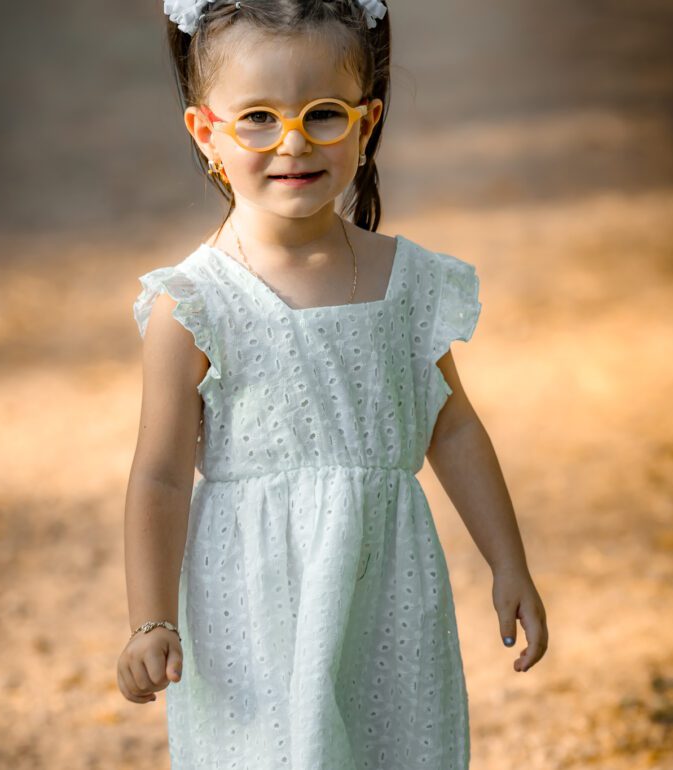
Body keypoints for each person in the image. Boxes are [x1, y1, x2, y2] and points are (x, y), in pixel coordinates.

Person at [117, 0, 548, 767]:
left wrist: (506, 560)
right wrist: (151, 619)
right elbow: (158, 477)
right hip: (252, 598)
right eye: (257, 118)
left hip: (387, 587)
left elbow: (451, 427)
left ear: (366, 120)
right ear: (206, 132)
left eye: (322, 115)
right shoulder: (194, 304)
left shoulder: (405, 281)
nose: (291, 143)